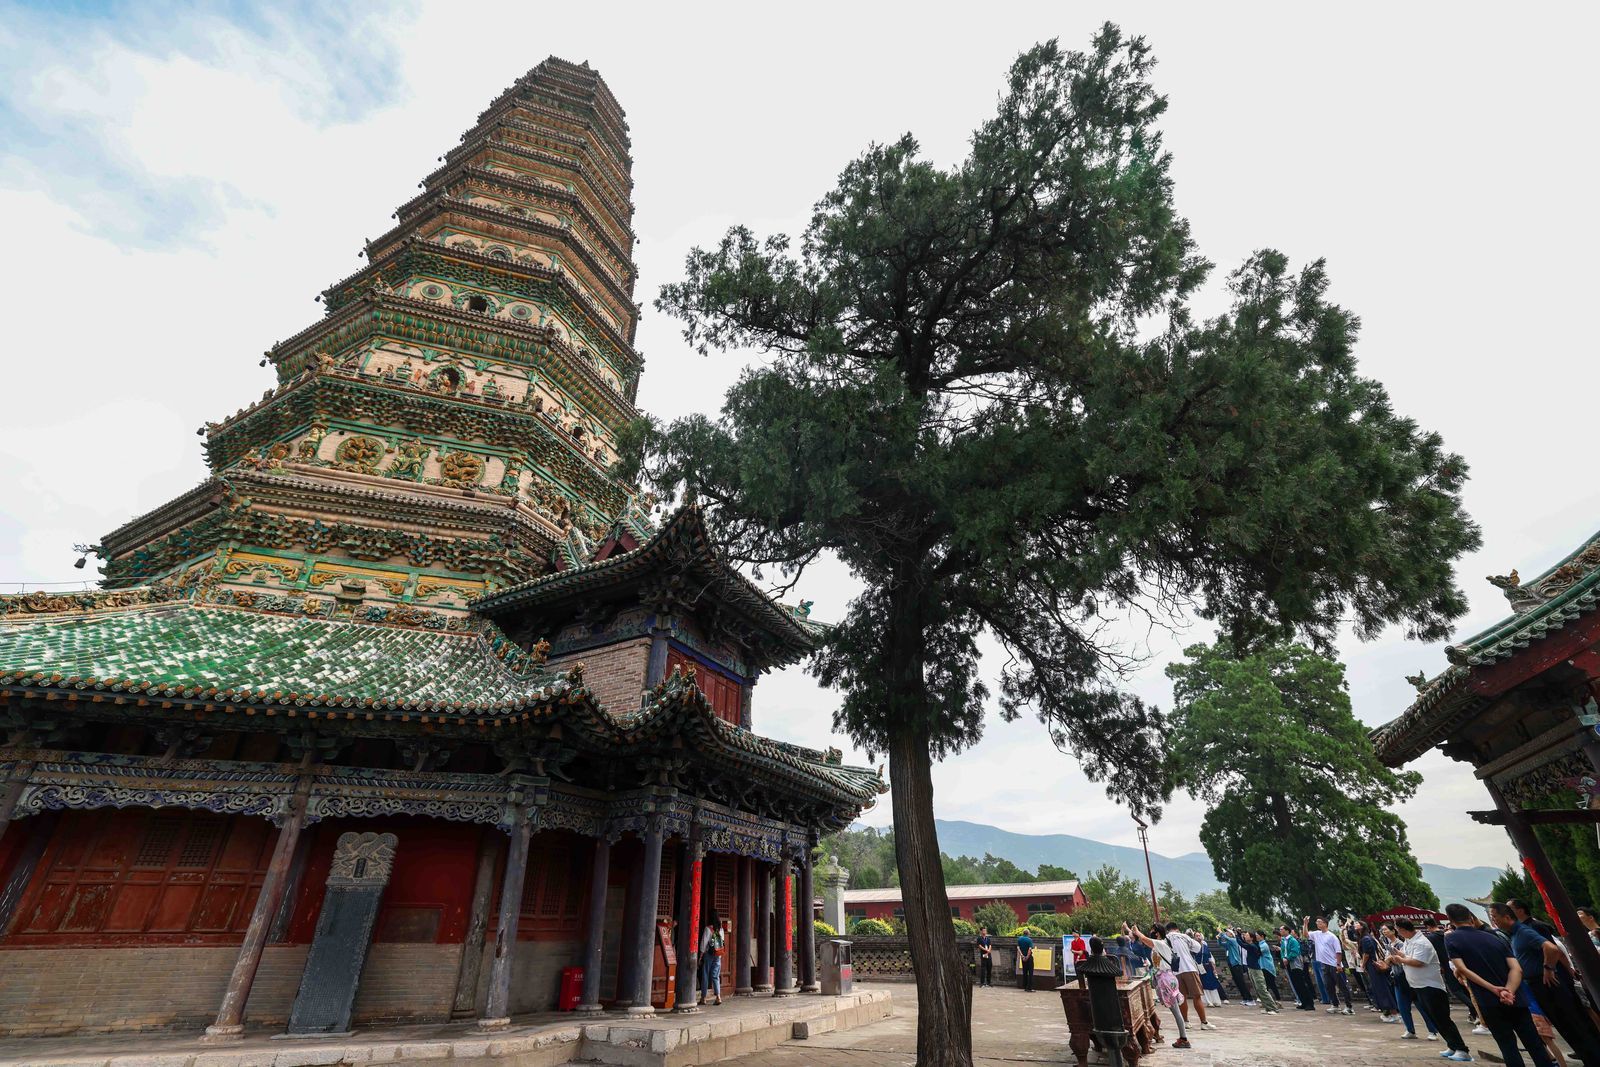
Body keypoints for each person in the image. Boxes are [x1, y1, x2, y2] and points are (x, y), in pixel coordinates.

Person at [1490, 901, 1600, 1065]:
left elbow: (1552, 948)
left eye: (1495, 917)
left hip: (1549, 985)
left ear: (1508, 916)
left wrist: (1548, 968)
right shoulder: (1514, 935)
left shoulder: (1526, 930)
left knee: (1573, 1024)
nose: (1494, 921)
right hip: (1539, 985)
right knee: (1566, 1026)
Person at [1447, 901, 1554, 1066]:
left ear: (1451, 920)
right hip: (1516, 998)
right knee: (1534, 1043)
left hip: (1489, 999)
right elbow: (1516, 969)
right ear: (1470, 917)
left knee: (1508, 1045)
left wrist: (1494, 989)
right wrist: (1509, 991)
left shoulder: (1452, 938)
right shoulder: (1494, 936)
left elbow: (1463, 969)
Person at [1389, 917, 1471, 1059]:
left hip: (1431, 986)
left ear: (1403, 930)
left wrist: (1400, 960)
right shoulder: (1410, 941)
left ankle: (1461, 1049)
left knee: (1442, 1018)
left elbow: (1418, 962)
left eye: (1398, 929)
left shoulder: (1422, 943)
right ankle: (1452, 1045)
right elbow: (1410, 956)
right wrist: (1400, 955)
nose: (1398, 932)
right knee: (1435, 1018)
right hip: (1418, 985)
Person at [1128, 922, 1192, 1049]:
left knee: (1175, 1011)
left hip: (1167, 979)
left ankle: (1184, 1038)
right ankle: (1182, 1037)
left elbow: (1145, 940)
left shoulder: (1161, 943)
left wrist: (1137, 931)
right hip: (1165, 978)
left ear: (1157, 933)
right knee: (1175, 1010)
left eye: (1152, 931)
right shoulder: (1160, 945)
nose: (1151, 933)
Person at [1306, 916, 1354, 1015]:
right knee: (1329, 985)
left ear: (1325, 923)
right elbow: (1306, 934)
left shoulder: (1332, 936)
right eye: (1316, 922)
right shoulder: (1317, 934)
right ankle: (1335, 1004)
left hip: (1334, 964)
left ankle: (1349, 1006)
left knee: (1342, 985)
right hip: (1324, 964)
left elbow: (1338, 952)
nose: (1317, 924)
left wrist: (1338, 964)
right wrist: (1305, 924)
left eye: (1319, 922)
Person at [1356, 921, 1399, 1022]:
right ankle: (1389, 1012)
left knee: (1382, 989)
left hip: (1374, 966)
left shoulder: (1366, 938)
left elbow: (1367, 953)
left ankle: (1394, 1013)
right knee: (1380, 989)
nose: (1354, 925)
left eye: (1357, 924)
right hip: (1374, 966)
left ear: (1362, 926)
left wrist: (1362, 965)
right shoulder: (1366, 937)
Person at [1243, 930, 1280, 1014]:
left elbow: (1252, 949)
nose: (1256, 936)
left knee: (1263, 988)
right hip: (1259, 968)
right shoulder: (1257, 944)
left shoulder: (1262, 945)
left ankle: (1273, 1007)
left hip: (1266, 968)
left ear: (1262, 936)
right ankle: (1268, 1007)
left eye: (1257, 935)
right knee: (1259, 989)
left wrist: (1237, 936)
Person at [1279, 925, 1315, 1011]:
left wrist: (1287, 958)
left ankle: (1309, 1003)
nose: (1280, 931)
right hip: (1288, 964)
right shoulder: (1283, 940)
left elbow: (1294, 951)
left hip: (1295, 964)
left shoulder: (1293, 940)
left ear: (1287, 931)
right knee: (1296, 984)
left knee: (1301, 984)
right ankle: (1303, 1002)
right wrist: (1283, 957)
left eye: (1282, 929)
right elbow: (1283, 951)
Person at [1220, 927, 1255, 1006]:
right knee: (1238, 982)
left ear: (1231, 934)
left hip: (1237, 964)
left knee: (1241, 982)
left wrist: (1221, 933)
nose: (1226, 933)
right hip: (1232, 964)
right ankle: (1245, 998)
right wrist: (1219, 938)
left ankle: (1250, 999)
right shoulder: (1229, 943)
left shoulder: (1234, 940)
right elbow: (1221, 944)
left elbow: (1226, 938)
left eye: (1228, 932)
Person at [698, 908, 725, 1006]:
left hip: (709, 954)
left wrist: (701, 955)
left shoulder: (708, 929)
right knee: (715, 976)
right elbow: (722, 942)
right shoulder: (721, 929)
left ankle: (703, 998)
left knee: (705, 975)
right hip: (718, 954)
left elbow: (703, 944)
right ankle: (718, 997)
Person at [1198, 935, 1225, 1006]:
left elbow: (1210, 958)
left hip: (1208, 967)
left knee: (1212, 983)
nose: (1198, 937)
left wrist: (1214, 969)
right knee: (1204, 984)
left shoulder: (1205, 947)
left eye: (1199, 935)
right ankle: (1208, 1002)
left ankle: (1216, 1001)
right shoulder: (1193, 948)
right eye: (1196, 936)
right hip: (1200, 968)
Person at [1017, 928, 1035, 992]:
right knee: (1030, 972)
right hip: (1029, 958)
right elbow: (1030, 949)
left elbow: (1018, 948)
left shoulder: (1019, 939)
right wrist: (1027, 957)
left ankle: (1024, 986)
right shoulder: (1029, 940)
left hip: (1022, 958)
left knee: (1024, 972)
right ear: (1028, 934)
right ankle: (1029, 988)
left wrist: (1022, 955)